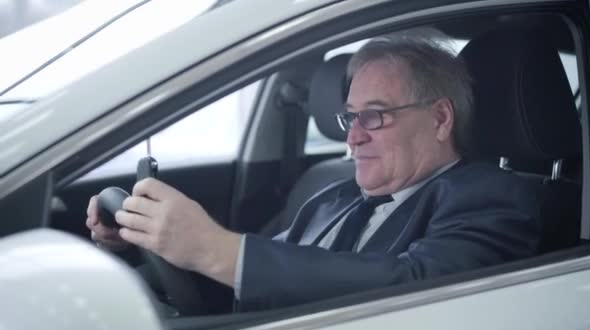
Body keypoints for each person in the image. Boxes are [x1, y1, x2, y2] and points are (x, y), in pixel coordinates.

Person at [86, 33, 541, 311]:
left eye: (375, 116)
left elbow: (423, 287)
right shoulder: (333, 198)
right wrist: (150, 241)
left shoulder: (492, 197)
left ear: (441, 119)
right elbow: (254, 285)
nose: (353, 137)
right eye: (351, 117)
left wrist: (216, 248)